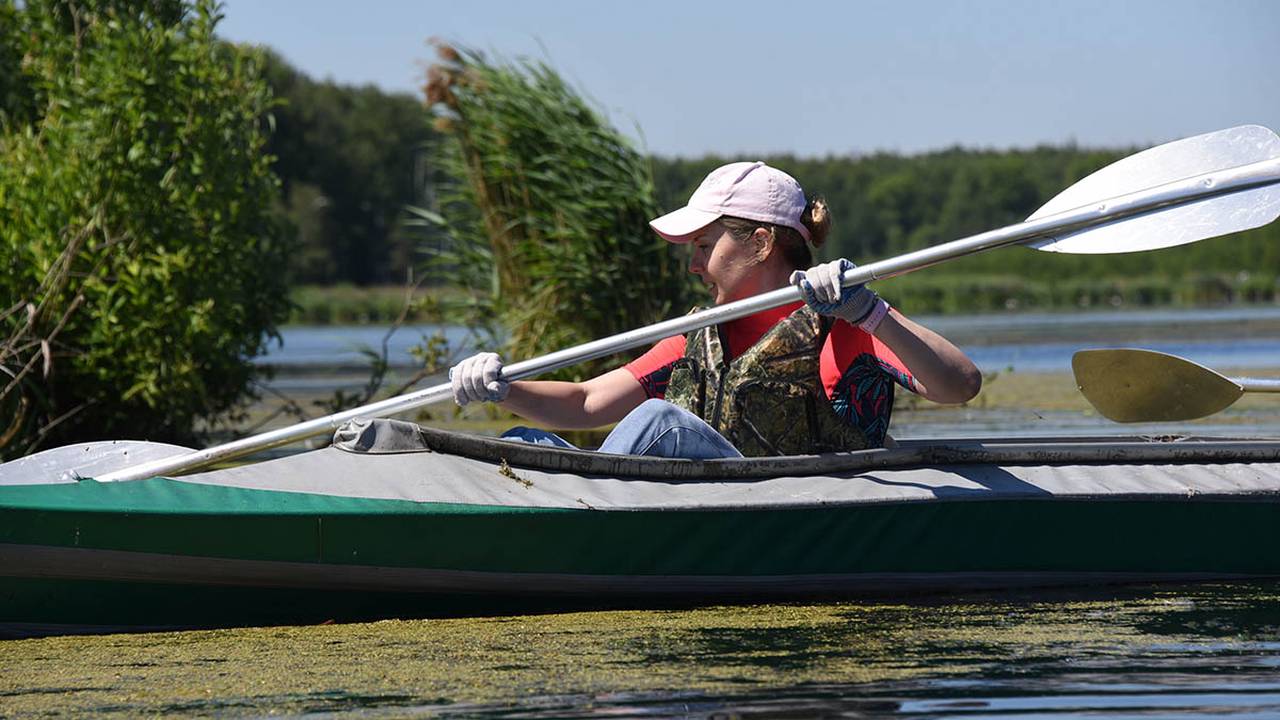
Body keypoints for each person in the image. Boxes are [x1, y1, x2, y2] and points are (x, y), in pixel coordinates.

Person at [449, 161, 981, 459]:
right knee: (526, 444)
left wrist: (869, 311)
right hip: (708, 512)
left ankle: (579, 524)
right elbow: (587, 403)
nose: (693, 266)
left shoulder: (845, 326)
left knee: (662, 422)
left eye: (704, 247)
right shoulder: (694, 338)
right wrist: (503, 388)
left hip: (795, 514)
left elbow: (960, 385)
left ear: (760, 243)